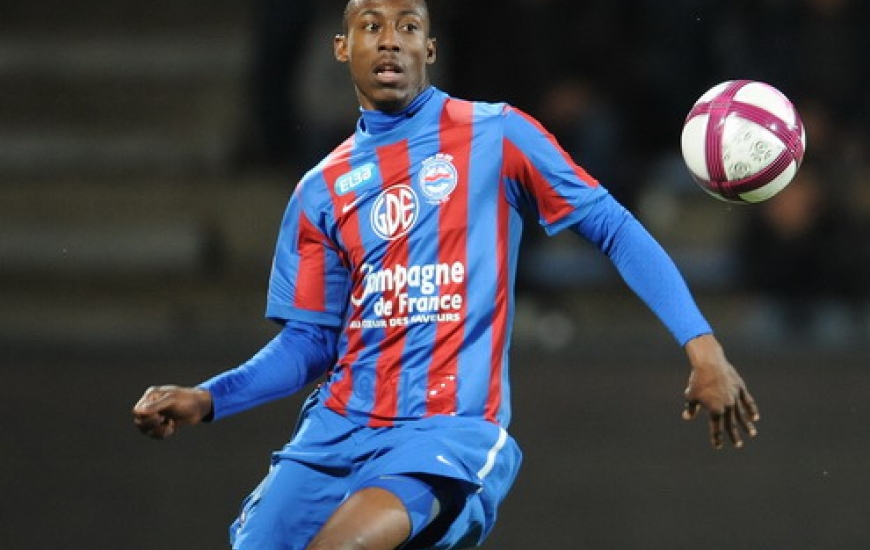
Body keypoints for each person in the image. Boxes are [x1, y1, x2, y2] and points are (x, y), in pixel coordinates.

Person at [132, 1, 760, 549]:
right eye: (371, 26)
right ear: (342, 48)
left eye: (408, 27)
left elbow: (613, 228)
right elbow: (310, 343)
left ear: (429, 49)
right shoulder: (320, 189)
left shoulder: (497, 134)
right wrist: (210, 398)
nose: (390, 40)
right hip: (335, 431)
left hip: (445, 433)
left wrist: (702, 346)